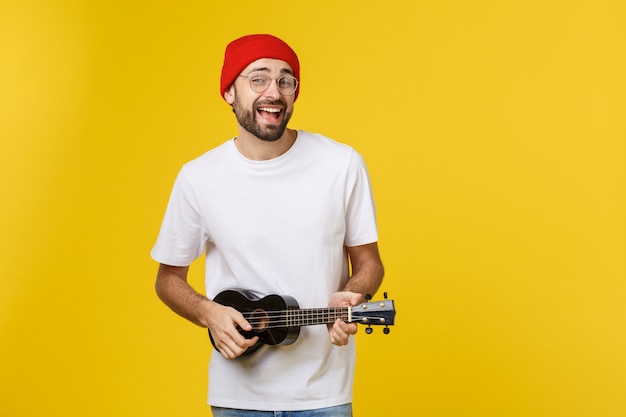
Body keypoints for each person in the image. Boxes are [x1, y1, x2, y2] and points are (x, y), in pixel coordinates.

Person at [151, 33, 384, 417]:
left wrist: (352, 295)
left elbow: (370, 263)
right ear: (229, 92)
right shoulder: (199, 177)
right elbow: (167, 279)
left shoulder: (341, 165)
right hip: (237, 398)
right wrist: (209, 312)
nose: (273, 92)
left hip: (322, 396)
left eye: (285, 80)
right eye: (257, 78)